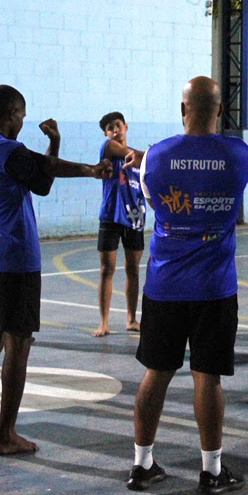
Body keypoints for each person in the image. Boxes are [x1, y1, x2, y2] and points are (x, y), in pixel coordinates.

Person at [124, 77, 248, 495]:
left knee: (155, 374)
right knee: (208, 378)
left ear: (183, 110)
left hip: (164, 285)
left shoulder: (157, 156)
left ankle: (141, 464)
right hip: (214, 287)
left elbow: (151, 201)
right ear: (219, 110)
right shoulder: (239, 154)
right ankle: (211, 470)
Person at [0, 84, 107, 455]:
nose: (24, 120)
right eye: (22, 114)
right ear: (13, 112)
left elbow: (40, 175)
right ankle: (8, 434)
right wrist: (92, 170)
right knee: (18, 345)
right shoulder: (8, 151)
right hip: (14, 258)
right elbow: (48, 175)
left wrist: (56, 145)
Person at [93, 112, 146, 336]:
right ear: (106, 134)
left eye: (118, 126)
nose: (115, 130)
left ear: (126, 127)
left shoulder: (140, 160)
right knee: (107, 269)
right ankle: (103, 322)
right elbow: (130, 154)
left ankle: (131, 319)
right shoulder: (109, 149)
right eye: (110, 128)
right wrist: (155, 155)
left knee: (132, 269)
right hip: (110, 216)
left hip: (134, 217)